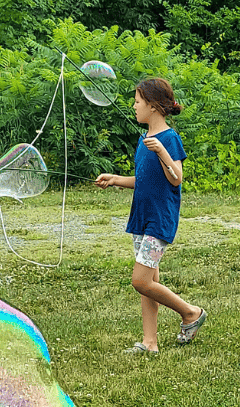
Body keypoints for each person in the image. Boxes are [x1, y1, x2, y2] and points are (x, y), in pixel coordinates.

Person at [93, 77, 206, 353]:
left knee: (140, 281)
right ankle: (149, 342)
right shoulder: (144, 139)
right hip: (141, 217)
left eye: (137, 101)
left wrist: (164, 153)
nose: (133, 106)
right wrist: (116, 179)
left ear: (153, 106)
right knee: (149, 283)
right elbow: (144, 180)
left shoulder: (169, 139)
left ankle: (191, 313)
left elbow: (176, 178)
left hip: (159, 220)